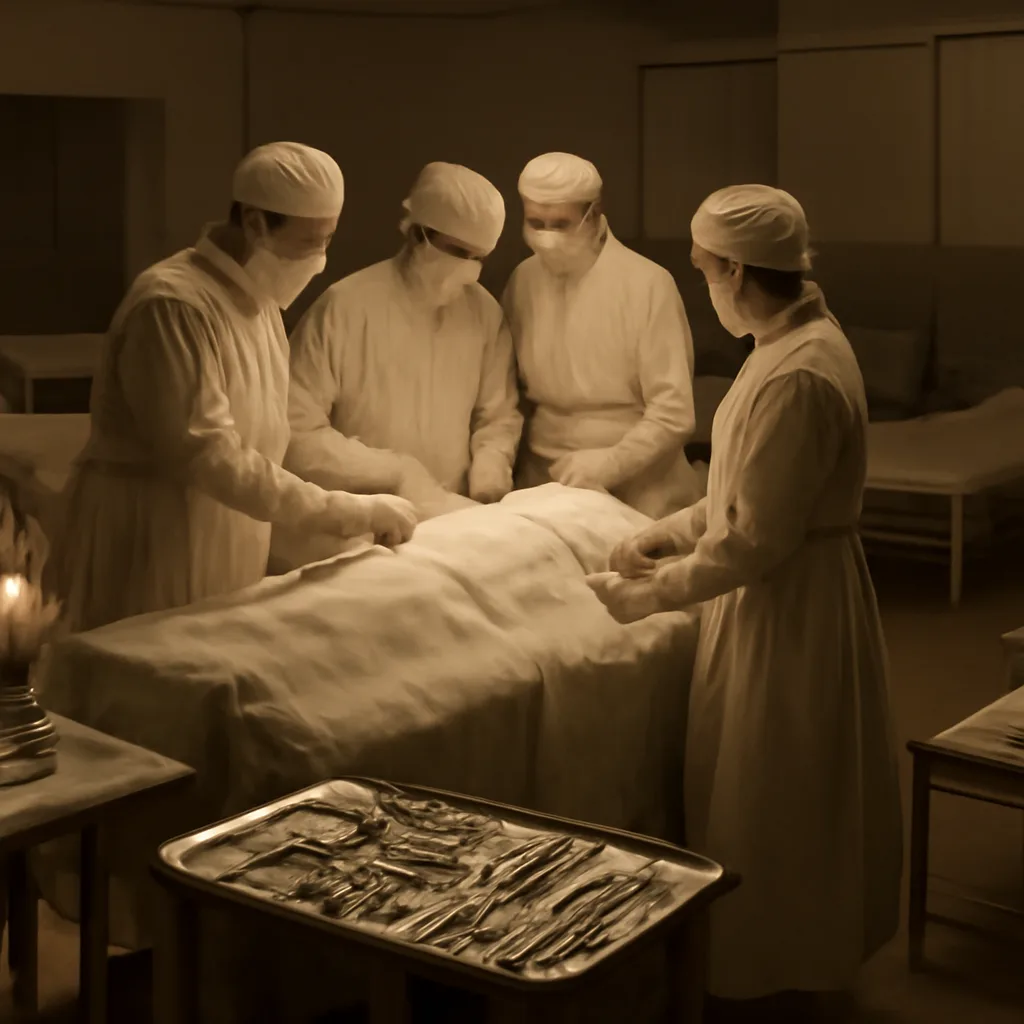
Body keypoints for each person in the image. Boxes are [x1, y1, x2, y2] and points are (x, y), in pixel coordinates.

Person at [586, 185, 903, 1015]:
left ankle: (776, 962)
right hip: (780, 586)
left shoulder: (800, 376)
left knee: (775, 785)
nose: (703, 287)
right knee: (764, 774)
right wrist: (669, 530)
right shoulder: (784, 344)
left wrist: (651, 594)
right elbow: (741, 491)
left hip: (788, 605)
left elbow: (760, 539)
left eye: (704, 272)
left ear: (733, 268)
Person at [59, 142, 417, 632]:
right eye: (310, 242)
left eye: (327, 240)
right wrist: (342, 511)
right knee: (140, 682)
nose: (320, 259)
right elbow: (209, 456)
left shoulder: (260, 302)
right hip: (153, 540)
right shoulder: (173, 306)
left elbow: (263, 445)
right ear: (253, 223)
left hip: (228, 537)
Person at [285, 162, 522, 519]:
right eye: (457, 251)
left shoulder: (484, 314)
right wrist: (392, 472)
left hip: (455, 517)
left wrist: (489, 481)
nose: (469, 268)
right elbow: (296, 432)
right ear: (416, 234)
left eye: (479, 257)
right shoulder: (345, 308)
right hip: (364, 518)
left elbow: (497, 417)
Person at [501, 152, 701, 518]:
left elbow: (673, 413)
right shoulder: (523, 282)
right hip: (544, 483)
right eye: (535, 222)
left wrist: (613, 462)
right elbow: (507, 393)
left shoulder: (647, 285)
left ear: (592, 214)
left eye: (560, 224)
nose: (546, 237)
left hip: (642, 487)